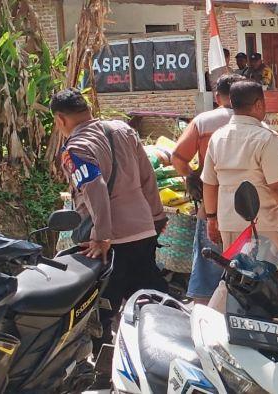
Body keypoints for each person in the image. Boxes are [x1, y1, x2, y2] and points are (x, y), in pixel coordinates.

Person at [51, 88, 168, 349]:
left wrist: (102, 236)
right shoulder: (123, 130)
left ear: (60, 119)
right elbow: (147, 176)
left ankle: (104, 374)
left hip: (113, 241)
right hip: (144, 231)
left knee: (101, 312)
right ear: (87, 108)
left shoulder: (76, 148)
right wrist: (157, 217)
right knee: (151, 301)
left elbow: (95, 188)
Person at [201, 80, 278, 293]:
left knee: (236, 283)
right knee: (270, 288)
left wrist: (212, 218)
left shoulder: (218, 137)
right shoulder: (265, 138)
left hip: (229, 223)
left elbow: (210, 183)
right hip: (262, 225)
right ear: (259, 104)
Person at [172, 74, 245, 305]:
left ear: (217, 97)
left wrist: (191, 177)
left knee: (208, 264)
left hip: (212, 201)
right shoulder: (255, 123)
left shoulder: (204, 122)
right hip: (249, 205)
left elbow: (177, 157)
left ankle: (205, 317)